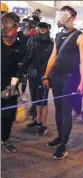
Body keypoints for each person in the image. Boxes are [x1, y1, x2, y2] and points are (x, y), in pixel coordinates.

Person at [42, 6, 83, 159]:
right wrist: (46, 76)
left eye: (65, 15)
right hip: (56, 77)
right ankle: (60, 137)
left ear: (73, 18)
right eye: (61, 14)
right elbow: (53, 57)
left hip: (70, 78)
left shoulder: (80, 36)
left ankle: (63, 145)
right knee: (58, 108)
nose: (62, 17)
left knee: (66, 110)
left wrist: (82, 81)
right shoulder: (58, 35)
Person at [22, 22, 53, 135]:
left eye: (44, 28)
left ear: (48, 29)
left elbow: (51, 60)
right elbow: (28, 56)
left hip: (44, 75)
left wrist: (47, 76)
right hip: (32, 73)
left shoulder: (51, 43)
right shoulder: (32, 40)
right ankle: (38, 120)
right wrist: (24, 68)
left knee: (43, 101)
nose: (42, 30)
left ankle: (44, 125)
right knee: (36, 99)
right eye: (40, 28)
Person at [1, 12, 25, 152]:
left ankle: (4, 139)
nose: (5, 27)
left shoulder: (21, 46)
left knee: (8, 114)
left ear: (16, 27)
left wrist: (11, 87)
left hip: (11, 82)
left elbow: (20, 69)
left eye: (9, 24)